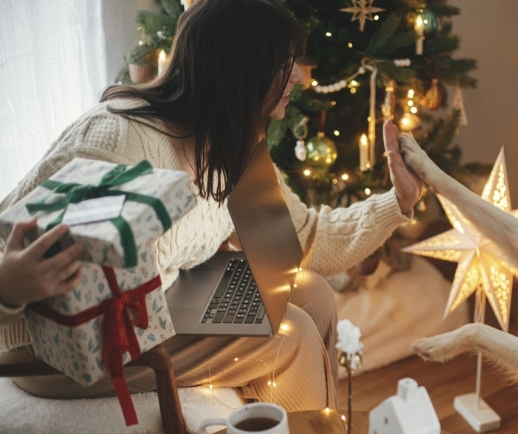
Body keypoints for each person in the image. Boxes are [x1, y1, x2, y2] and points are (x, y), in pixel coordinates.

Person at [0, 0, 423, 411]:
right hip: (58, 349)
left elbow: (307, 240)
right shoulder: (118, 140)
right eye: (283, 63)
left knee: (313, 292)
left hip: (161, 305)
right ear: (239, 71)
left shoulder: (230, 144)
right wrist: (9, 286)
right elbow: (11, 236)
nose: (299, 76)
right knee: (288, 340)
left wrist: (397, 201)